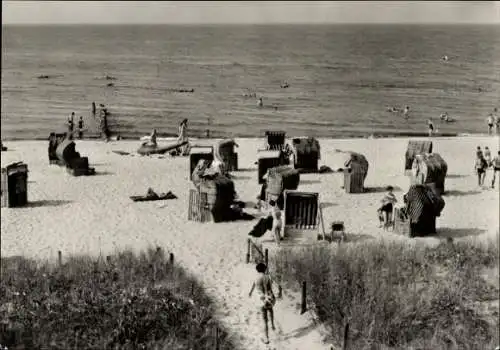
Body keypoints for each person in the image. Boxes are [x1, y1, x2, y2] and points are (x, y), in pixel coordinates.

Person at [248, 263, 281, 345]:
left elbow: (253, 286)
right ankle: (273, 324)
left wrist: (250, 293)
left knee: (264, 320)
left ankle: (266, 338)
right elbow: (269, 288)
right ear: (264, 269)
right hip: (269, 298)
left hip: (261, 300)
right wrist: (270, 296)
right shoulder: (267, 277)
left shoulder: (256, 277)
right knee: (271, 309)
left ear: (257, 270)